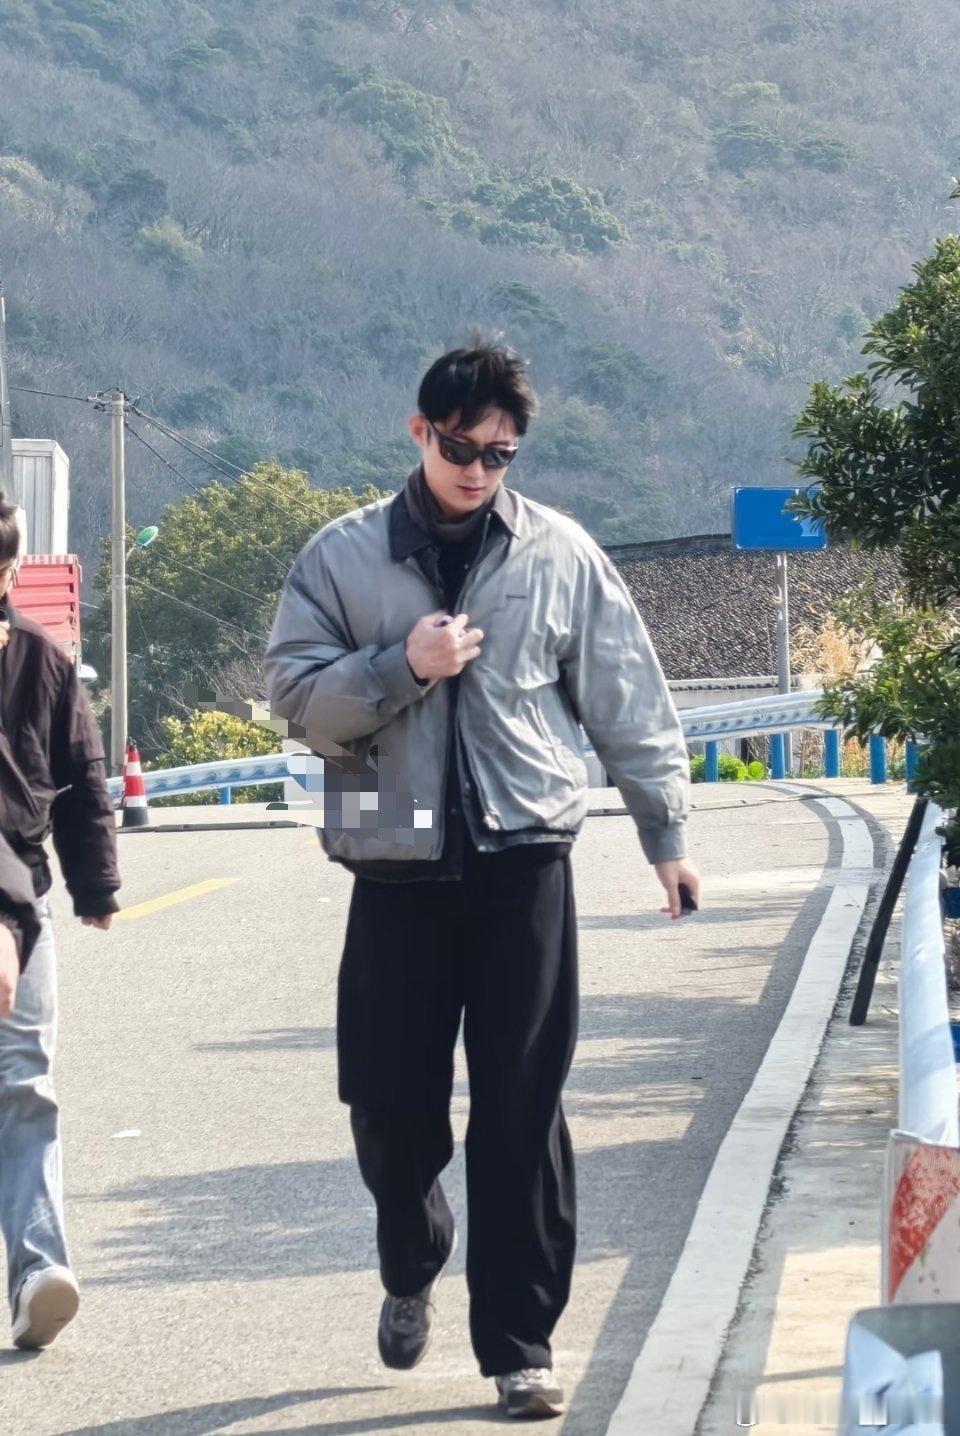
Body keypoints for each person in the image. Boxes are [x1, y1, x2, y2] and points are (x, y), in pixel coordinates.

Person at [265, 338, 699, 1420]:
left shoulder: (560, 552)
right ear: (420, 432)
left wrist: (666, 833)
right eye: (460, 448)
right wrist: (402, 666)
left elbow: (627, 697)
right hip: (394, 863)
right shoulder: (341, 555)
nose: (478, 470)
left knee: (521, 1109)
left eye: (499, 454)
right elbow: (297, 702)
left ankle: (520, 1344)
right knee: (390, 1108)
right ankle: (412, 1256)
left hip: (524, 859)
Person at [0, 497, 120, 1350]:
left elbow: (81, 773)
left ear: (8, 573)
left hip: (21, 900)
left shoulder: (41, 657)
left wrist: (96, 884)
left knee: (25, 1083)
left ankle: (39, 1269)